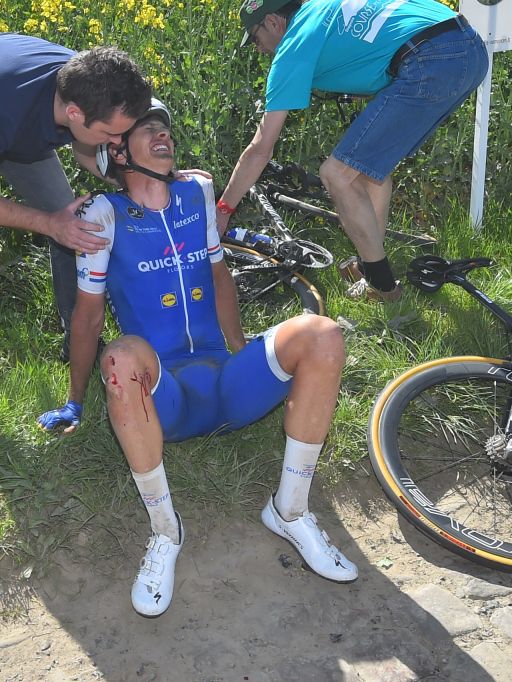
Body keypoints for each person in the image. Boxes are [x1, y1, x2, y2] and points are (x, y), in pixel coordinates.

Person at [37, 99, 358, 618]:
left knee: (321, 332)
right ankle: (166, 530)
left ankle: (290, 510)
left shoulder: (198, 191)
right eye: (147, 130)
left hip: (228, 385)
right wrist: (76, 400)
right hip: (167, 399)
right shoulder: (101, 213)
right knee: (120, 356)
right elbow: (88, 319)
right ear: (115, 150)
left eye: (166, 127)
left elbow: (218, 274)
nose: (163, 135)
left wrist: (239, 347)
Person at [216, 0, 488, 302]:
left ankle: (384, 288)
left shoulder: (293, 46)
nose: (259, 49)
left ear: (272, 23)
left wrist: (223, 210)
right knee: (369, 171)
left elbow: (260, 150)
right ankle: (370, 265)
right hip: (470, 47)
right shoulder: (324, 8)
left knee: (337, 174)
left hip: (430, 58)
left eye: (255, 38)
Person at [0, 34, 152, 358]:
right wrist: (48, 223)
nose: (117, 142)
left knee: (71, 225)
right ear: (73, 113)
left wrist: (143, 182)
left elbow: (87, 151)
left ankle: (79, 341)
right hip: (9, 113)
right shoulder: (10, 107)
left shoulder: (89, 83)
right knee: (57, 223)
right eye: (111, 134)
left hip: (21, 133)